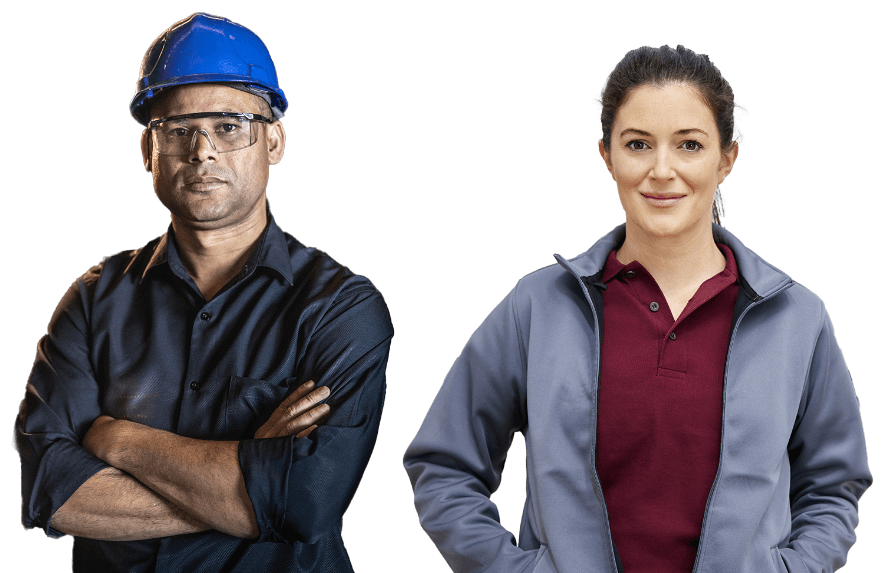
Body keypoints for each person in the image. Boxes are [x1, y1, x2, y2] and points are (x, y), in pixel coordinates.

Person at [403, 44, 871, 572]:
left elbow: (833, 485)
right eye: (638, 144)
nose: (662, 170)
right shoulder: (536, 306)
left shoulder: (796, 318)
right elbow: (443, 465)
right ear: (607, 155)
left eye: (689, 144)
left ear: (726, 158)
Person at [14, 12, 393, 572]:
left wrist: (115, 439)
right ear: (149, 151)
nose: (201, 151)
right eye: (177, 130)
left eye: (229, 125)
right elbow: (51, 491)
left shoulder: (340, 308)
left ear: (275, 141)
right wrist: (247, 478)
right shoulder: (93, 302)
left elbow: (302, 502)